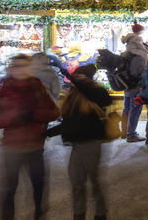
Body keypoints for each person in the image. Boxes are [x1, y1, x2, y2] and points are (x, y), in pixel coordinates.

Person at [0, 53, 60, 220]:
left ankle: (39, 213)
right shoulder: (2, 89)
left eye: (24, 66)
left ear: (30, 67)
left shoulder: (37, 87)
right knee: (9, 189)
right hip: (11, 148)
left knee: (39, 185)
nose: (20, 70)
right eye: (16, 66)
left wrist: (34, 114)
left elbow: (55, 112)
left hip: (35, 146)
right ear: (10, 68)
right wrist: (14, 115)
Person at [60, 64, 113, 220]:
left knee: (95, 182)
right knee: (77, 184)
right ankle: (79, 215)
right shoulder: (73, 95)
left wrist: (70, 76)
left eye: (78, 78)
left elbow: (103, 99)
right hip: (76, 144)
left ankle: (100, 214)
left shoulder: (96, 92)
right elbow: (69, 122)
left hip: (92, 141)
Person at [121, 22, 148, 143]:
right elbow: (144, 74)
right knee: (135, 110)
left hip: (127, 86)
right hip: (136, 88)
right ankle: (131, 134)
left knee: (126, 109)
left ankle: (124, 132)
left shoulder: (126, 56)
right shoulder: (139, 59)